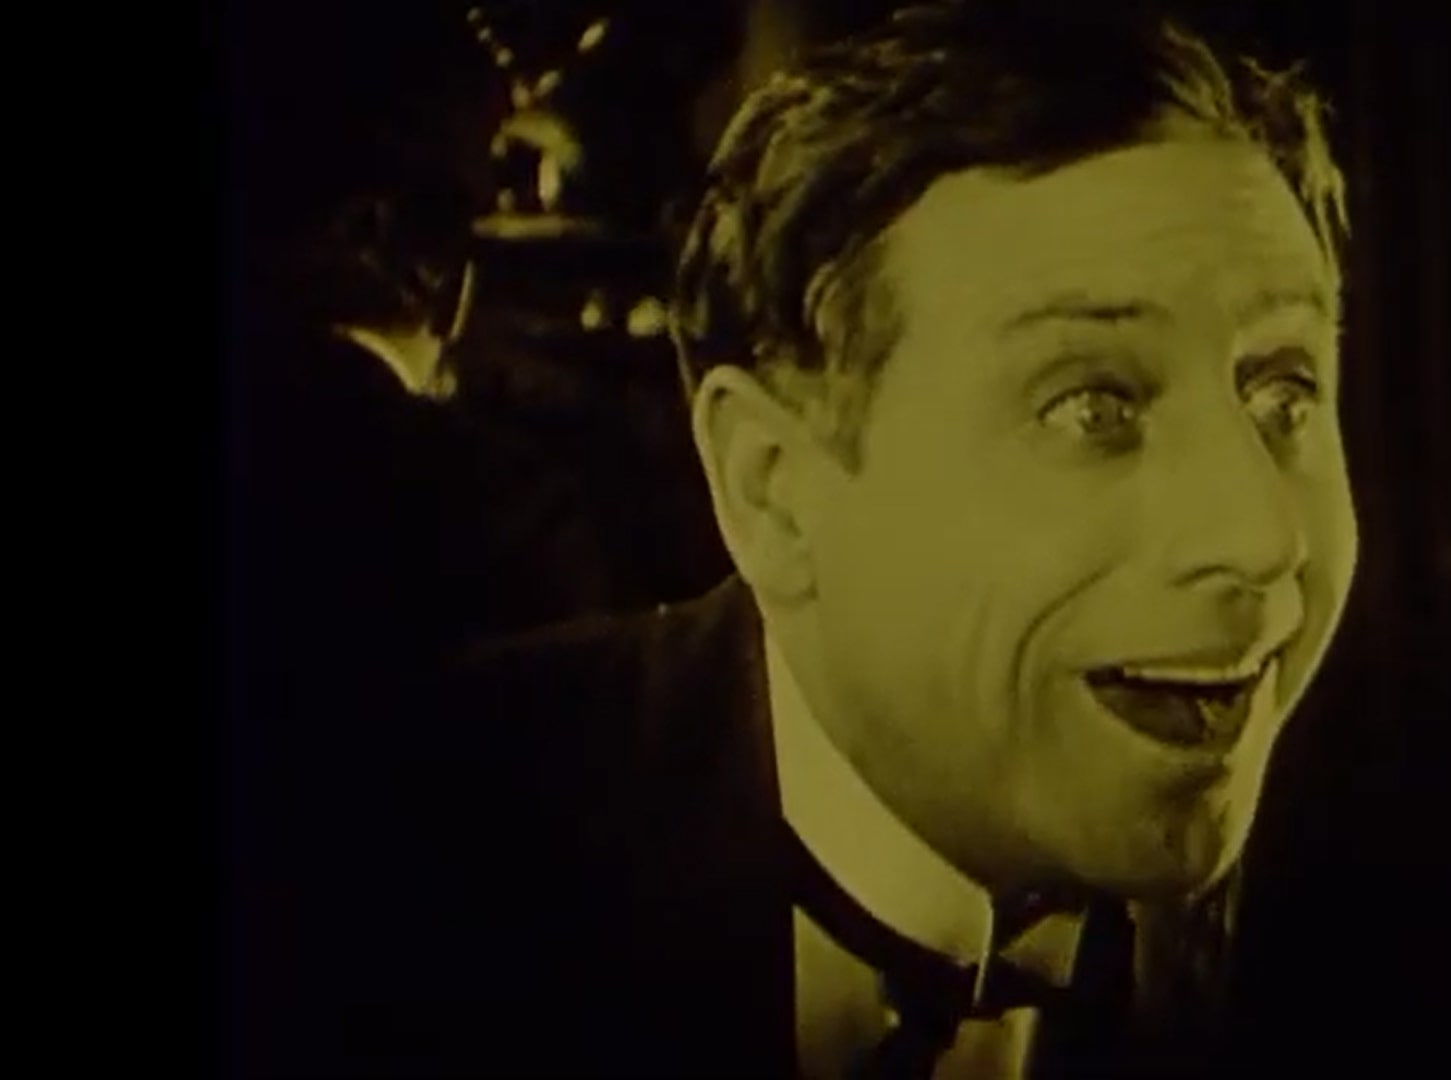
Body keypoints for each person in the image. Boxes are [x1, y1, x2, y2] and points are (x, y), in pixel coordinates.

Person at [235, 2, 1358, 1075]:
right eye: (1092, 408)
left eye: (1285, 397)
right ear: (772, 488)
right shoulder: (367, 878)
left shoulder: (1390, 901)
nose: (1263, 538)